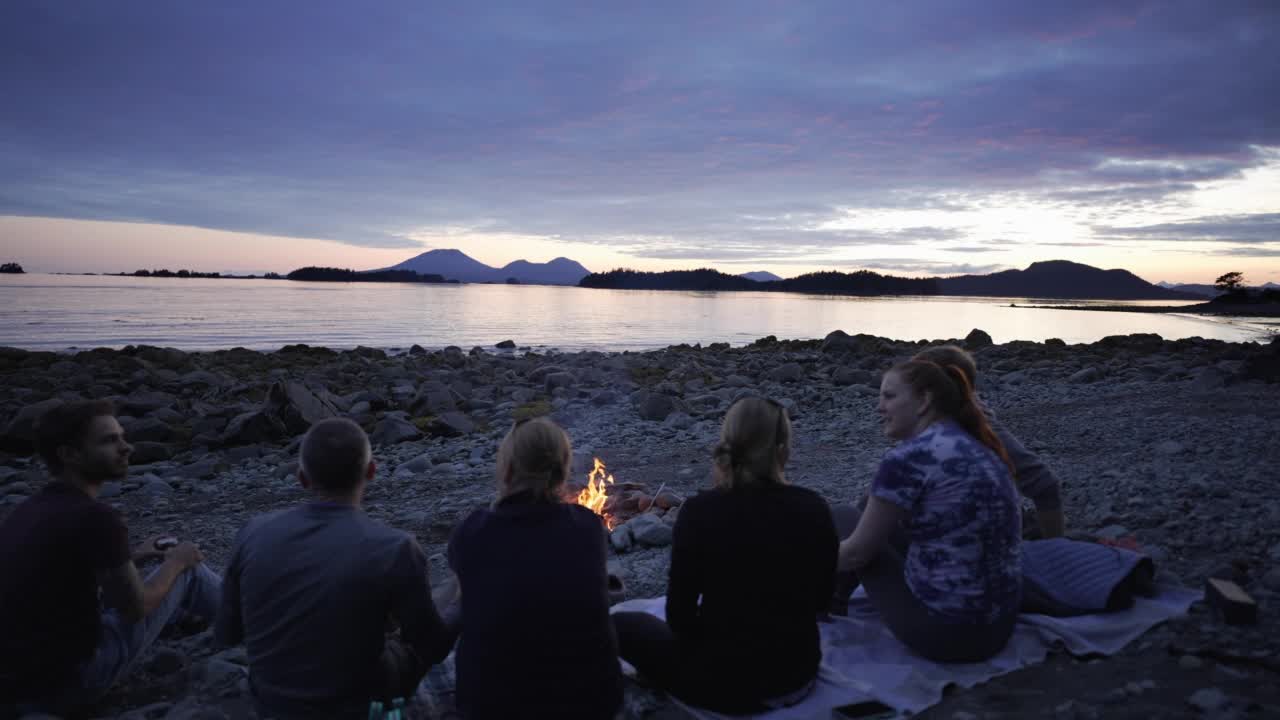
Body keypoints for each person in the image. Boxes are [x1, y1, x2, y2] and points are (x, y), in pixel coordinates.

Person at [215, 418, 459, 718]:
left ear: (303, 478)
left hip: (273, 705)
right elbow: (432, 649)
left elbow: (227, 633)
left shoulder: (252, 533)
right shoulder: (394, 547)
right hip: (362, 706)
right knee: (453, 600)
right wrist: (462, 602)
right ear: (371, 471)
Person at [612, 398, 838, 715]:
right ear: (782, 449)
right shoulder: (814, 507)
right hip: (797, 676)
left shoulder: (699, 512)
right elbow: (821, 600)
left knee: (621, 625)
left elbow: (680, 616)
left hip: (722, 685)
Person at [0, 400, 220, 715]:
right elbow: (135, 608)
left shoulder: (28, 510)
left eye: (123, 437)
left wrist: (135, 556)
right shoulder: (95, 517)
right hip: (73, 681)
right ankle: (262, 617)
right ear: (69, 454)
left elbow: (62, 576)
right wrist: (177, 562)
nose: (126, 447)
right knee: (187, 571)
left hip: (18, 682)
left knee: (156, 572)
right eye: (109, 440)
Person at [835, 361, 1021, 663]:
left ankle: (824, 607)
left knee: (841, 517)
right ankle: (833, 600)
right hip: (1000, 626)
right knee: (864, 506)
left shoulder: (908, 459)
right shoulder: (974, 444)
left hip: (948, 635)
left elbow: (855, 555)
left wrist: (798, 563)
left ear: (924, 401)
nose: (879, 407)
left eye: (889, 397)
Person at [446, 417, 622, 720]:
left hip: (491, 707)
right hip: (589, 705)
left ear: (508, 468)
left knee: (458, 595)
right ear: (562, 469)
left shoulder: (472, 531)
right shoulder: (587, 525)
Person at [913, 344, 1066, 538]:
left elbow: (1045, 484)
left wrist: (1054, 545)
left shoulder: (980, 428)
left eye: (912, 384)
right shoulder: (927, 424)